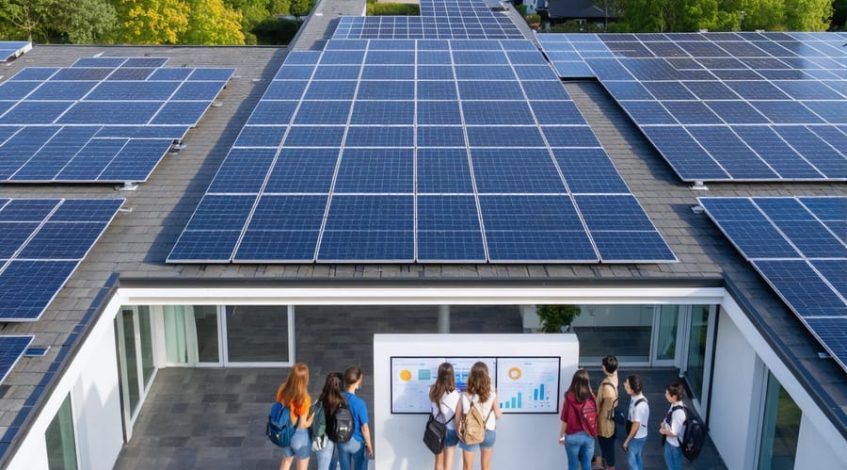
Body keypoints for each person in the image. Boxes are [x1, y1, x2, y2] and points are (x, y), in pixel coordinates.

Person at [456, 361, 501, 470]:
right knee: (485, 467)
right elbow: (498, 414)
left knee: (467, 467)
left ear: (472, 376)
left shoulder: (465, 394)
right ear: (486, 376)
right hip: (489, 431)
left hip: (470, 431)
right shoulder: (492, 394)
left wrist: (458, 432)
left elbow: (458, 415)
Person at [276, 363, 314, 470]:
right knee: (302, 464)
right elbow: (302, 425)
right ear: (304, 379)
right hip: (299, 435)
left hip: (284, 432)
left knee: (286, 461)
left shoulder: (282, 389)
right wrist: (311, 419)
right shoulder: (304, 398)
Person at [336, 367, 374, 470]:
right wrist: (370, 446)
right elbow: (364, 428)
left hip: (341, 440)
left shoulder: (337, 399)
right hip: (357, 442)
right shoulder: (360, 403)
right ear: (357, 382)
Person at [559, 369, 596, 470]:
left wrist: (561, 435)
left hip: (572, 437)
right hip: (588, 436)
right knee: (587, 465)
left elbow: (564, 419)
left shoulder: (569, 397)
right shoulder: (591, 397)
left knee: (573, 465)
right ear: (587, 383)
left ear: (574, 380)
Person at [429, 362, 461, 470]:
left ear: (439, 374)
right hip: (451, 430)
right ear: (452, 375)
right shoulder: (456, 394)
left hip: (436, 429)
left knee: (438, 462)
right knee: (448, 465)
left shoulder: (431, 390)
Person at [315, 372, 346, 470]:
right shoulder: (342, 401)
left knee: (323, 466)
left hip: (322, 438)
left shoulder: (321, 399)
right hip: (337, 438)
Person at [595, 355, 619, 470]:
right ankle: (604, 463)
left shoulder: (606, 388)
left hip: (605, 423)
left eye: (603, 365)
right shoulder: (615, 375)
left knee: (608, 449)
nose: (601, 367)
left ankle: (608, 466)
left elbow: (600, 406)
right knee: (607, 448)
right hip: (610, 420)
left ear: (605, 368)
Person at [622, 375, 648, 470]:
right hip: (641, 435)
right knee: (638, 456)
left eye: (627, 385)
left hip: (636, 437)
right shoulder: (637, 397)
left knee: (632, 461)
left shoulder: (639, 406)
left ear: (632, 390)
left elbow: (636, 425)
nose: (625, 385)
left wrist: (627, 441)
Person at [659, 382, 686, 470]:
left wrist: (662, 431)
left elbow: (674, 433)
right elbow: (669, 416)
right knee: (671, 464)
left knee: (673, 466)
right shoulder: (674, 405)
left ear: (674, 397)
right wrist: (664, 422)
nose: (665, 395)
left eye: (667, 393)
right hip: (670, 443)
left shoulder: (679, 413)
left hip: (674, 445)